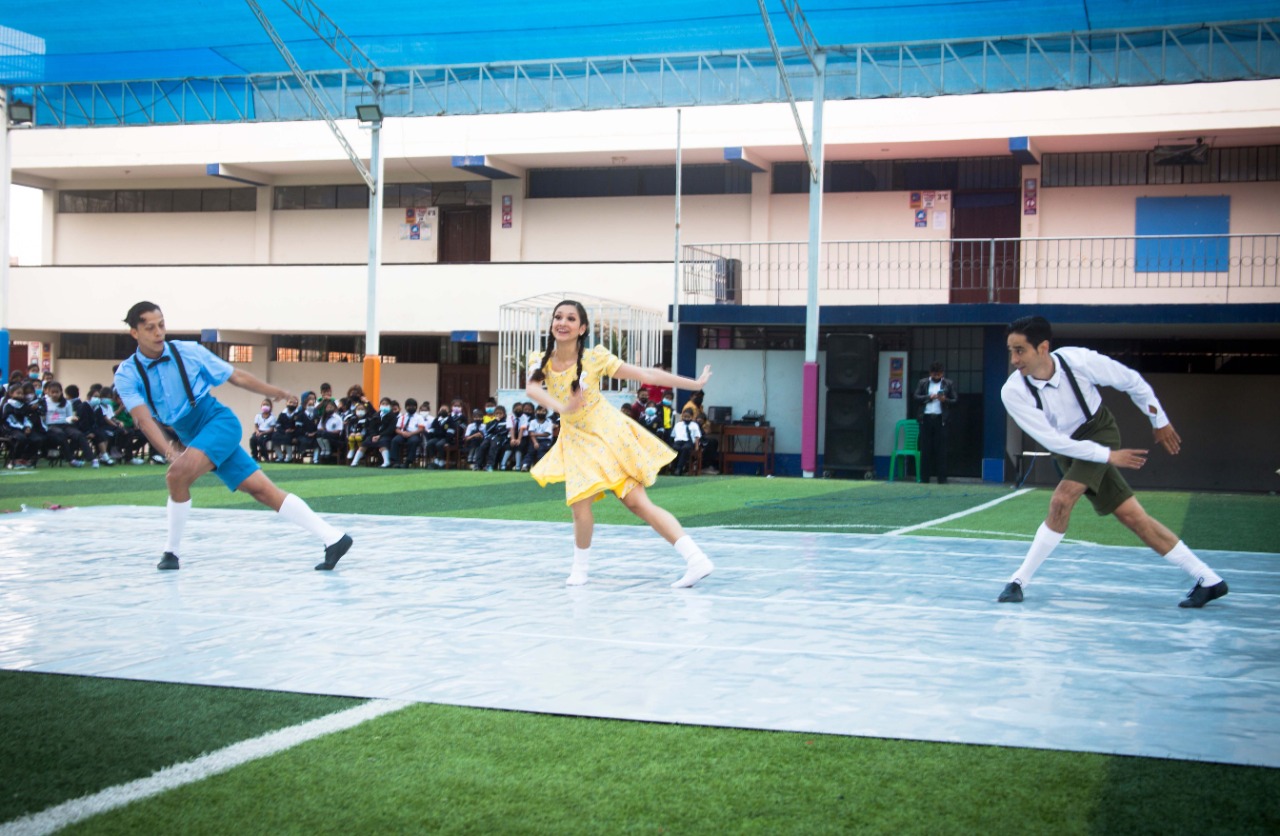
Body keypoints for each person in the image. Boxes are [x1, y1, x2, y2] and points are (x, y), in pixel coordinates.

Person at [998, 315, 1227, 608]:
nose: (1014, 359)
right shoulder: (1013, 391)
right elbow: (1054, 441)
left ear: (1042, 347)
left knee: (1061, 500)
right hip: (1069, 448)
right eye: (1011, 351)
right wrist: (1108, 458)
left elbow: (1131, 381)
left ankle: (1018, 581)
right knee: (1132, 516)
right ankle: (1209, 580)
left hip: (1099, 431)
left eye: (1020, 350)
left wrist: (1159, 420)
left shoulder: (1077, 361)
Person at [113, 301, 352, 571]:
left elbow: (235, 376)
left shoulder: (188, 351)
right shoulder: (127, 373)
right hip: (190, 434)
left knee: (176, 475)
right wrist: (169, 451)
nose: (159, 332)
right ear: (135, 333)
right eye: (150, 328)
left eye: (162, 325)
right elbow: (143, 419)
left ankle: (171, 553)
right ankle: (334, 538)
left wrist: (274, 390)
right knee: (263, 491)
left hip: (218, 422)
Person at [525, 299, 714, 588]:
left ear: (582, 327)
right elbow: (532, 388)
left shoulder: (595, 358)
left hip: (609, 434)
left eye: (571, 318)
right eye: (558, 317)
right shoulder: (540, 360)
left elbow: (647, 374)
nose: (562, 322)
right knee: (580, 505)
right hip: (576, 439)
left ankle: (696, 558)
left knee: (637, 504)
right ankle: (580, 570)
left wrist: (694, 384)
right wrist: (563, 409)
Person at [913, 361, 957, 484]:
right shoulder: (923, 383)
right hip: (926, 418)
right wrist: (929, 397)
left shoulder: (948, 383)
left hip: (941, 419)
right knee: (925, 449)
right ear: (930, 373)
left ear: (942, 374)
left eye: (938, 375)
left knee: (941, 449)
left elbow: (955, 400)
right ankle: (924, 478)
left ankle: (942, 478)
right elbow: (916, 396)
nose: (936, 377)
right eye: (934, 375)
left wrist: (944, 399)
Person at [670, 407, 703, 475]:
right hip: (678, 441)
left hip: (689, 442)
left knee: (685, 449)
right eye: (685, 417)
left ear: (692, 417)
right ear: (682, 416)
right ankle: (674, 467)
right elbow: (673, 436)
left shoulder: (694, 425)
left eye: (688, 417)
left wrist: (697, 446)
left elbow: (697, 437)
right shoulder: (678, 425)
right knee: (676, 448)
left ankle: (679, 468)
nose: (686, 419)